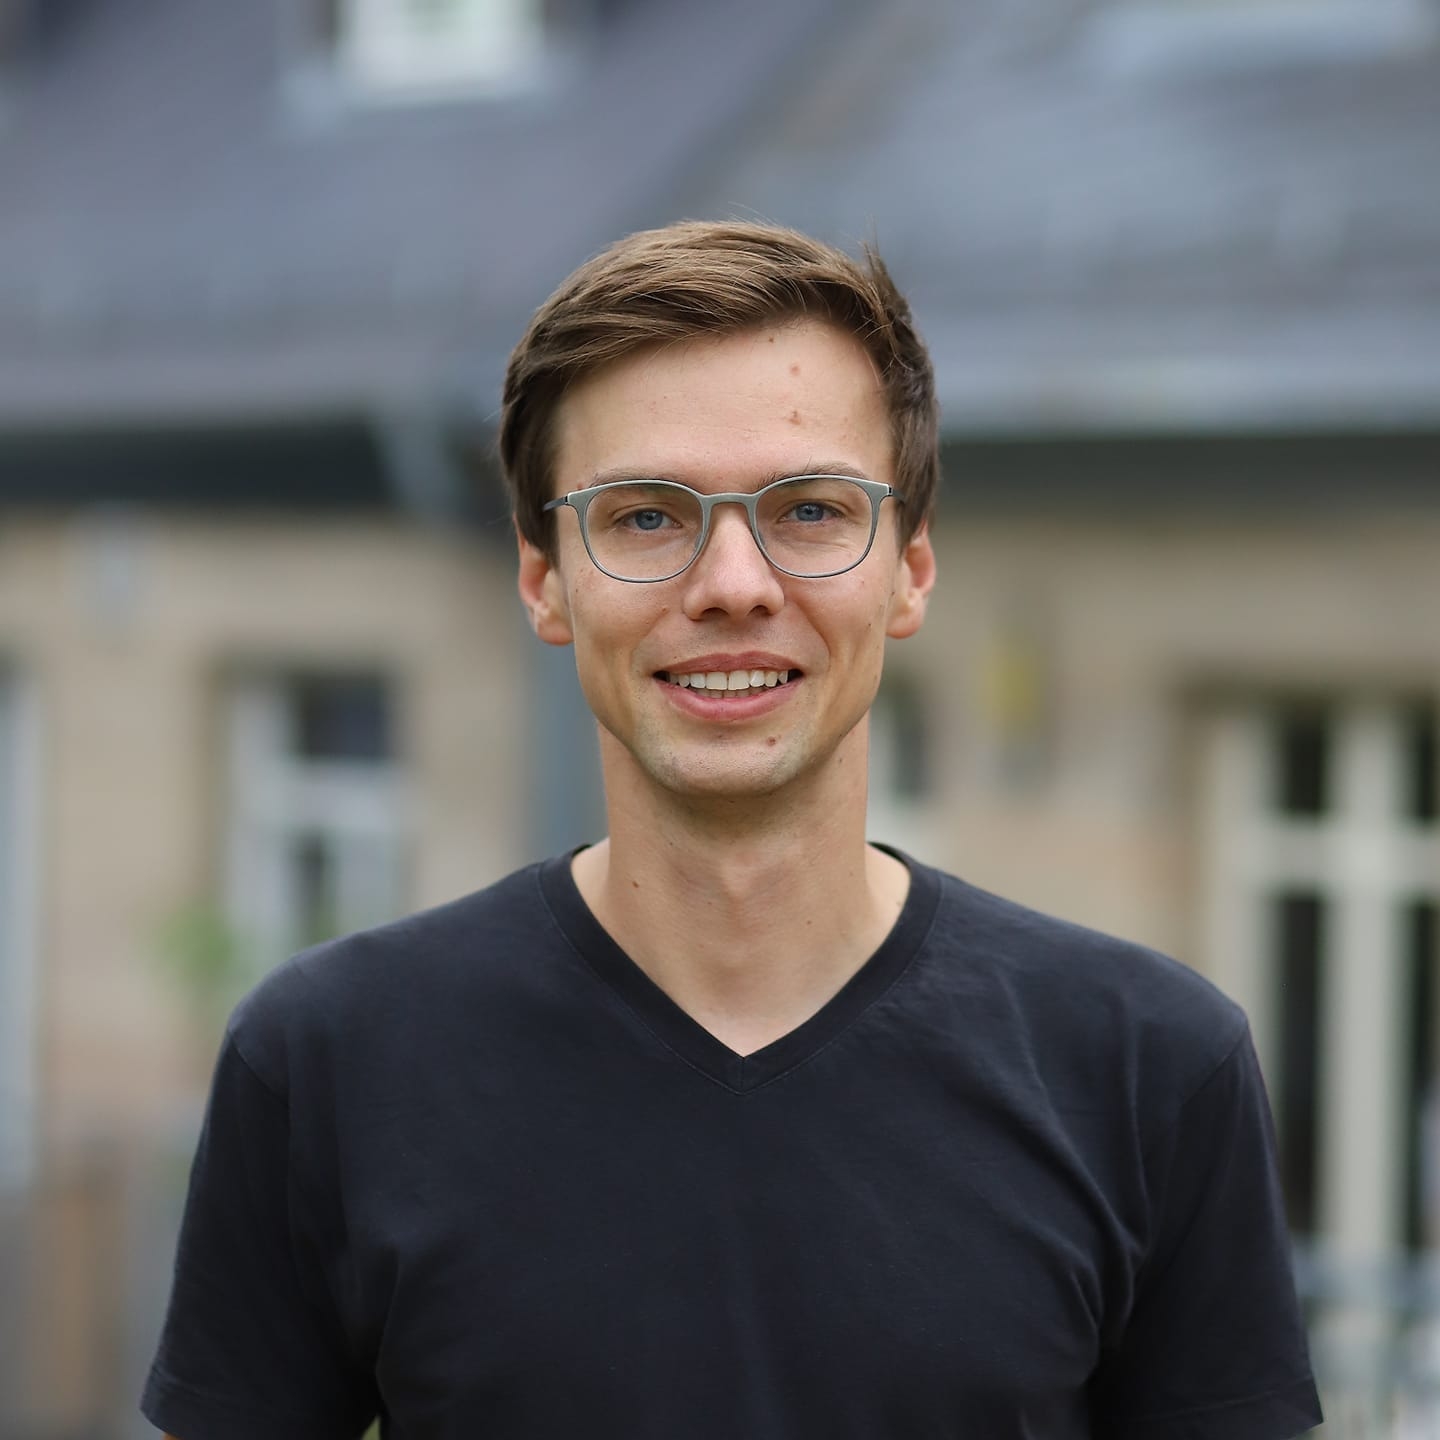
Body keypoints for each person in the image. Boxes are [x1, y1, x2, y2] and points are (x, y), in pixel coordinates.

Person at [142, 221, 1322, 1439]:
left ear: (910, 570)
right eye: (646, 517)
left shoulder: (1147, 1068)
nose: (734, 585)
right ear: (545, 579)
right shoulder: (330, 1064)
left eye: (809, 510)